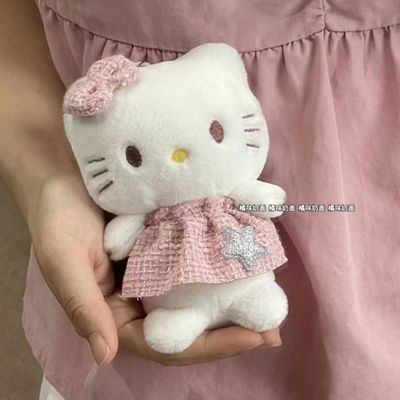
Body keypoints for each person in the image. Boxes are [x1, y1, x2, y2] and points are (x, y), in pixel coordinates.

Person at [0, 0, 399, 399]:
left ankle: (246, 299)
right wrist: (49, 183)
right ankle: (185, 313)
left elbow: (264, 201)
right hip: (123, 302)